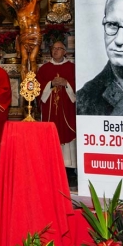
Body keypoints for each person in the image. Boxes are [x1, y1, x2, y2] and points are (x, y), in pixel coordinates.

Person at [36, 41, 77, 177]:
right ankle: (50, 165)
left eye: (59, 49)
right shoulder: (44, 69)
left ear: (65, 52)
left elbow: (79, 86)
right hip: (50, 109)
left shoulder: (72, 68)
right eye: (54, 48)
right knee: (51, 133)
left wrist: (67, 84)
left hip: (67, 108)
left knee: (67, 131)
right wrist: (50, 84)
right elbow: (37, 88)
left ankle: (69, 167)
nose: (56, 51)